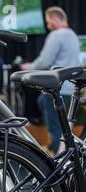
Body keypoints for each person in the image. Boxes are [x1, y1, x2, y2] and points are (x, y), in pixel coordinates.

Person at [20, 6, 81, 154]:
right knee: (62, 122)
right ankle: (64, 153)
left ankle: (55, 157)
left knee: (55, 126)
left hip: (57, 88)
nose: (48, 26)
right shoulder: (72, 35)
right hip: (70, 88)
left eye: (48, 22)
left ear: (55, 19)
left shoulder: (56, 35)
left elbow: (44, 62)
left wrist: (28, 67)